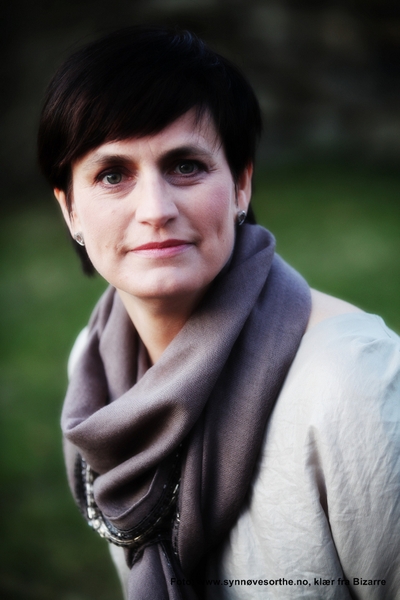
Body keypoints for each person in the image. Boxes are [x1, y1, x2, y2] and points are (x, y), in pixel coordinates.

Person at [37, 26, 400, 600]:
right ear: (71, 211)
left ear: (241, 186)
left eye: (185, 166)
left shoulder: (354, 382)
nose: (155, 209)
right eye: (113, 174)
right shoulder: (96, 368)